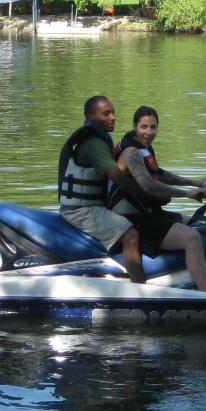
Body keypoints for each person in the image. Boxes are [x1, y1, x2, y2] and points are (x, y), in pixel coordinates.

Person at [107, 106, 206, 292]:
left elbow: (161, 175)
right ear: (135, 126)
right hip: (132, 219)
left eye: (153, 127)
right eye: (144, 127)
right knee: (192, 238)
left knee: (196, 221)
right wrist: (188, 194)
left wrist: (194, 182)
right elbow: (149, 185)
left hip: (146, 212)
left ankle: (190, 273)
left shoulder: (143, 147)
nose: (149, 132)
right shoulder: (132, 152)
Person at [58, 96, 148, 283]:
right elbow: (117, 178)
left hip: (94, 206)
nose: (113, 117)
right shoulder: (94, 143)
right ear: (91, 117)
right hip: (81, 211)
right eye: (106, 114)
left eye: (113, 112)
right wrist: (147, 192)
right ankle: (140, 289)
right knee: (130, 234)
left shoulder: (101, 136)